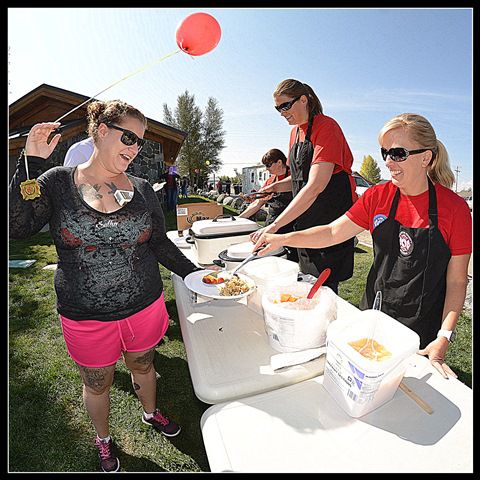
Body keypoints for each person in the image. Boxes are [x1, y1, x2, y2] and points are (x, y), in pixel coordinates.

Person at [9, 100, 201, 472]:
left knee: (143, 365)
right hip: (86, 315)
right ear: (100, 130)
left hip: (144, 305)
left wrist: (195, 274)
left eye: (140, 142)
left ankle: (150, 412)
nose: (134, 147)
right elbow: (16, 227)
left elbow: (159, 242)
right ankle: (104, 439)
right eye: (128, 137)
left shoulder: (143, 188)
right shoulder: (57, 182)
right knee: (98, 383)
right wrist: (30, 163)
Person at [253, 113, 472, 378]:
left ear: (426, 157)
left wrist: (444, 336)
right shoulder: (378, 196)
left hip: (421, 327)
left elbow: (458, 281)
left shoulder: (455, 209)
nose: (389, 162)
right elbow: (334, 232)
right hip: (374, 312)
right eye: (385, 153)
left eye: (398, 153)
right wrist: (282, 238)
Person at [251, 79, 358, 293]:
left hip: (328, 220)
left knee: (324, 289)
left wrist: (274, 226)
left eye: (285, 106)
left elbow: (316, 185)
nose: (281, 112)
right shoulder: (295, 133)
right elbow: (299, 178)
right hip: (306, 220)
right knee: (307, 284)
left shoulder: (327, 126)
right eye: (277, 108)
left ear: (303, 100)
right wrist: (273, 188)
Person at [239, 148, 298, 262]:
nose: (266, 169)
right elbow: (257, 204)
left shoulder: (294, 178)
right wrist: (240, 219)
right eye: (265, 165)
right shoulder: (269, 181)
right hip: (272, 225)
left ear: (279, 162)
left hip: (292, 226)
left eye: (269, 165)